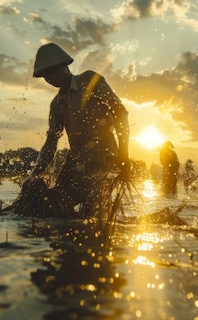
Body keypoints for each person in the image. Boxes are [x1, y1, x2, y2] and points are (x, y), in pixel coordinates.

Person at [15, 42, 129, 218]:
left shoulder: (90, 80)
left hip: (103, 157)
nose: (52, 77)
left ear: (65, 66)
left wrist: (123, 155)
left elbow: (120, 113)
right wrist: (33, 176)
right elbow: (51, 143)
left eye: (55, 71)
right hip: (75, 160)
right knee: (58, 204)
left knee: (93, 213)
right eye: (47, 75)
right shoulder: (57, 105)